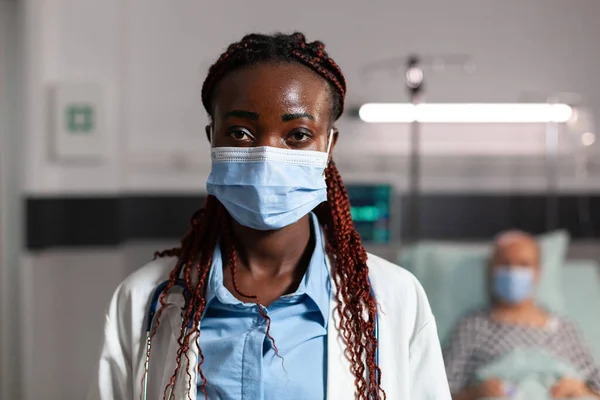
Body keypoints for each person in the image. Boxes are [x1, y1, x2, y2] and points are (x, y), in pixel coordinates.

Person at [88, 32, 450, 400]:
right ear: (212, 138)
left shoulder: (393, 298)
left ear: (329, 145)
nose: (266, 156)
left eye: (297, 135)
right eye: (240, 133)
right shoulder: (144, 300)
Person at [444, 230, 600, 400]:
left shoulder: (563, 328)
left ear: (538, 272)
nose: (513, 272)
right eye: (505, 263)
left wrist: (581, 390)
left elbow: (596, 387)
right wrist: (475, 392)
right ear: (492, 269)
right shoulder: (473, 325)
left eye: (524, 264)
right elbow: (437, 390)